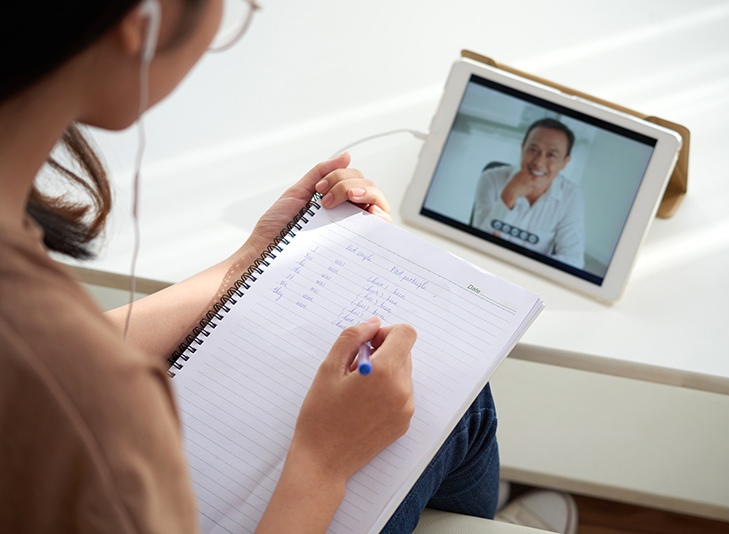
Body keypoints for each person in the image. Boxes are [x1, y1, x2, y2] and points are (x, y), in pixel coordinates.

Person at [0, 1, 500, 532]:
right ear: (145, 20)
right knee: (454, 406)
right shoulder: (95, 406)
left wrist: (250, 263)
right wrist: (321, 463)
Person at [472, 118, 586, 269]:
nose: (539, 162)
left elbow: (574, 261)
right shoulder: (491, 178)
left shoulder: (571, 196)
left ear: (565, 162)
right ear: (522, 148)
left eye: (551, 155)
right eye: (533, 150)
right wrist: (508, 196)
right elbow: (475, 244)